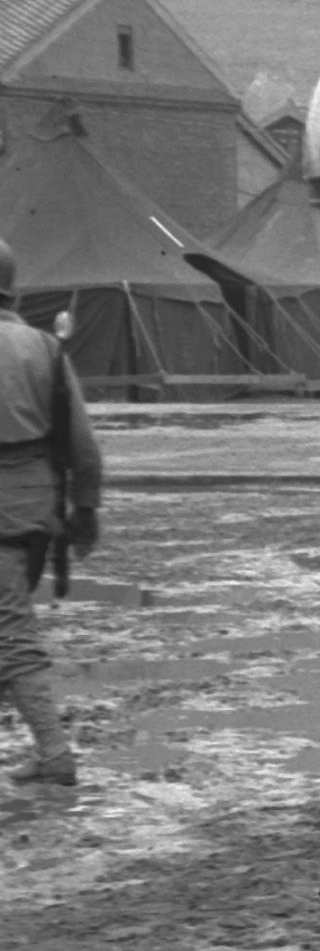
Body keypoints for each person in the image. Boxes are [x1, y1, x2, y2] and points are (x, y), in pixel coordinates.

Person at [0, 244, 104, 788]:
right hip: (34, 507)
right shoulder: (45, 348)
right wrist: (85, 510)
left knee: (9, 630)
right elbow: (82, 444)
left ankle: (55, 752)